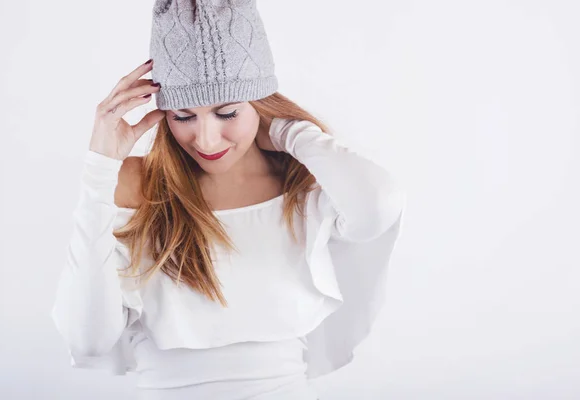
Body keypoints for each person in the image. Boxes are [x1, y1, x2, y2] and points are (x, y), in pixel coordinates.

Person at [50, 1, 407, 399]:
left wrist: (292, 134)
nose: (205, 140)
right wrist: (99, 169)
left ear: (260, 101)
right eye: (183, 117)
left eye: (227, 112)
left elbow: (378, 210)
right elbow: (88, 339)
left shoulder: (300, 183)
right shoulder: (135, 183)